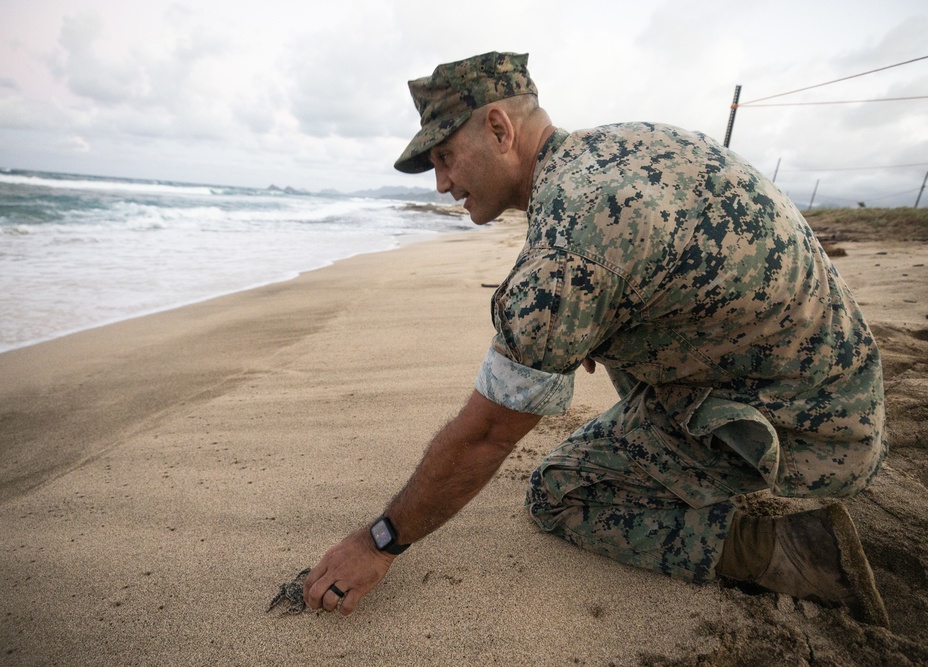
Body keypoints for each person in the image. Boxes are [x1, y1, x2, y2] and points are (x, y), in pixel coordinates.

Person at [302, 51, 889, 626]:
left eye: (446, 156)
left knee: (558, 494)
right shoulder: (620, 146)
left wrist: (380, 541)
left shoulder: (568, 251)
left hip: (817, 432)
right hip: (837, 376)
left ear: (499, 128)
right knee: (610, 336)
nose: (441, 183)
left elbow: (485, 435)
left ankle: (792, 549)